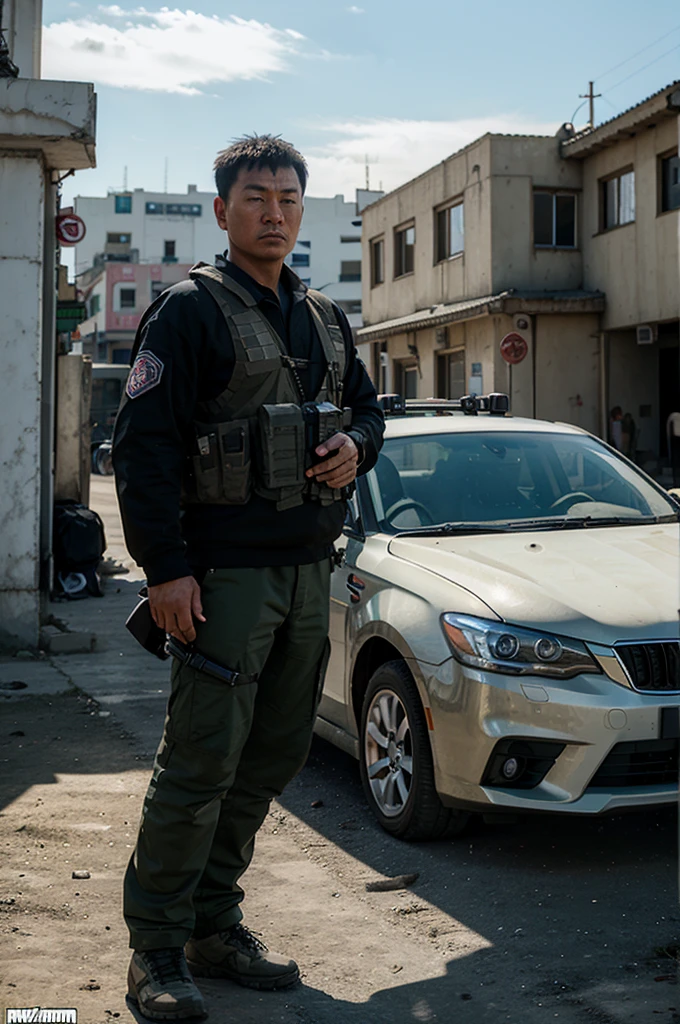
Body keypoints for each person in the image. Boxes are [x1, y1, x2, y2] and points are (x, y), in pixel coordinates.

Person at [112, 135, 385, 1022]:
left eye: (290, 199)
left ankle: (212, 924)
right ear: (223, 208)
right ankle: (155, 950)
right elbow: (144, 452)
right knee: (199, 763)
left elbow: (372, 412)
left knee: (272, 757)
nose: (276, 212)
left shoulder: (327, 317)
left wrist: (357, 446)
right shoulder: (186, 313)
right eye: (258, 196)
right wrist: (167, 573)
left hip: (309, 574)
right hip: (223, 578)